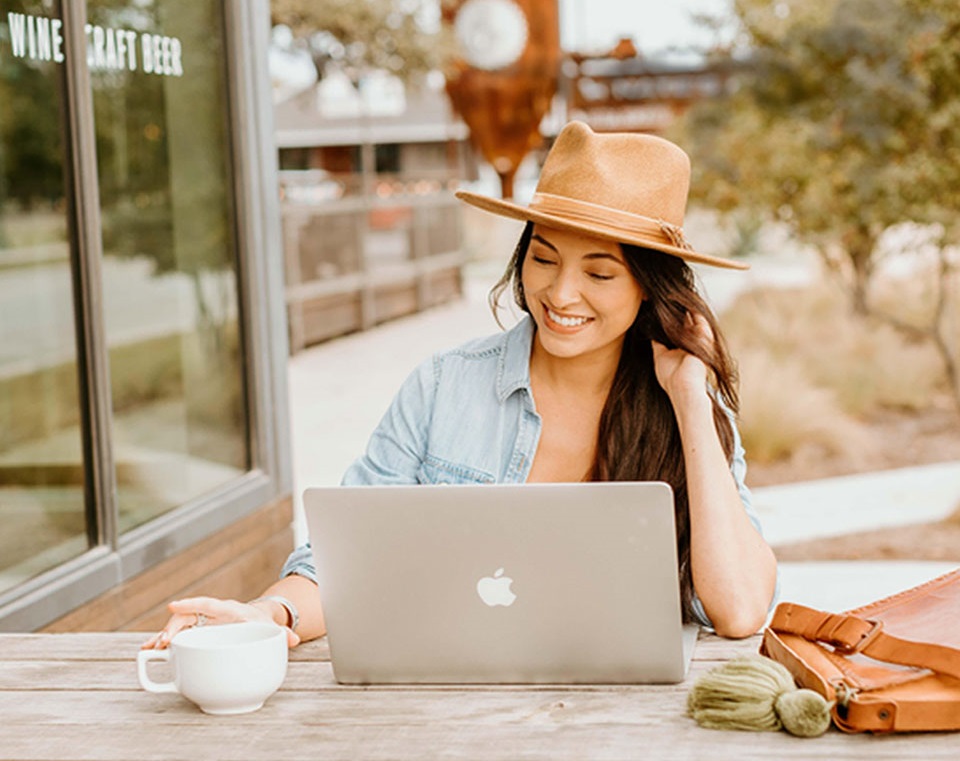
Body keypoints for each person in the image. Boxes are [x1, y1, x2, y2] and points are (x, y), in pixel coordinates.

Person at [143, 121, 777, 650]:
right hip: (453, 707)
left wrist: (692, 400)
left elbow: (740, 609)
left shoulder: (686, 404)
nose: (560, 294)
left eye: (600, 272)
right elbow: (346, 562)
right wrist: (268, 617)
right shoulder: (445, 386)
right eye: (545, 257)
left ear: (649, 288)